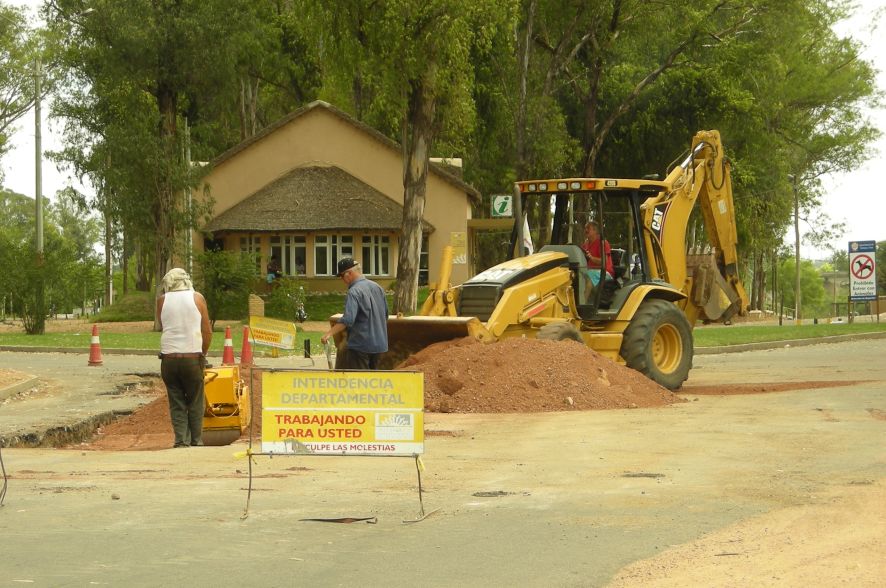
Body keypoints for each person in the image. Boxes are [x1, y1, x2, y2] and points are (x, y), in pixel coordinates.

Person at [157, 268, 212, 448]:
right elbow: (206, 331)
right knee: (196, 399)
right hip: (192, 358)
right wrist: (202, 353)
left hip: (169, 360)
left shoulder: (162, 301)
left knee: (176, 400)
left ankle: (181, 440)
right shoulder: (198, 298)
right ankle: (196, 440)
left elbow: (163, 325)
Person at [321, 258, 389, 370]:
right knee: (375, 383)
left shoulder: (354, 291)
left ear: (349, 273)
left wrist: (328, 334)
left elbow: (348, 320)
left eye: (342, 276)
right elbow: (385, 315)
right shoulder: (378, 287)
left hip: (360, 346)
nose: (342, 280)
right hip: (380, 345)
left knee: (360, 383)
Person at [580, 221, 614, 302]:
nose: (586, 230)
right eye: (585, 228)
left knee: (588, 275)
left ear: (595, 230)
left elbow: (604, 262)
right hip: (591, 271)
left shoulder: (603, 243)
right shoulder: (585, 244)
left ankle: (582, 304)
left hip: (605, 272)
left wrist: (591, 257)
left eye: (588, 228)